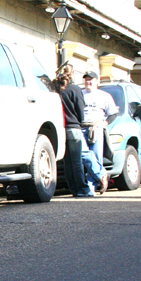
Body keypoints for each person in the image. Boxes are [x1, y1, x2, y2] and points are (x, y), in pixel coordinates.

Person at [54, 65, 92, 197]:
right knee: (76, 162)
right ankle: (83, 189)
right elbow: (80, 111)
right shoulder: (75, 89)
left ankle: (74, 189)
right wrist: (79, 121)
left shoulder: (56, 89)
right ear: (72, 74)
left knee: (67, 162)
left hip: (60, 129)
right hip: (74, 128)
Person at [81, 71, 117, 195]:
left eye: (91, 79)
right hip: (82, 128)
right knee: (84, 154)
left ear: (97, 81)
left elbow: (113, 113)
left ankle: (91, 186)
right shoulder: (80, 94)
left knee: (96, 157)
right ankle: (101, 174)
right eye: (86, 79)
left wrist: (105, 124)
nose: (88, 82)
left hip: (96, 128)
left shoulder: (104, 96)